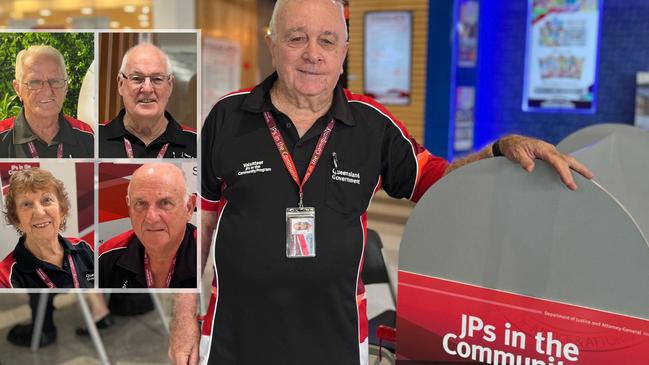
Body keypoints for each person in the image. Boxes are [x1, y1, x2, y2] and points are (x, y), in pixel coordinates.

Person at [169, 0, 593, 364]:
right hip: (234, 335)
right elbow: (196, 224)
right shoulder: (226, 116)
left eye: (328, 40)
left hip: (335, 338)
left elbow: (436, 180)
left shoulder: (372, 124)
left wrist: (499, 150)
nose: (313, 54)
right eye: (296, 38)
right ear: (272, 46)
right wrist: (183, 318)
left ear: (345, 51)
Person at [0, 168, 94, 347]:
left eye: (47, 200)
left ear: (62, 209)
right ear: (16, 219)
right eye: (26, 204)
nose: (40, 212)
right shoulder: (6, 276)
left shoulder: (84, 249)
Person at [98, 162, 197, 288]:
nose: (151, 218)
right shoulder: (106, 257)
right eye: (140, 203)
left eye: (165, 203)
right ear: (129, 206)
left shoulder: (208, 255)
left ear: (189, 208)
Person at [99, 43, 197, 158]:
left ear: (170, 86)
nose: (147, 89)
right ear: (121, 84)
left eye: (157, 79)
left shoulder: (198, 144)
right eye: (137, 78)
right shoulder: (93, 139)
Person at [0, 45, 94, 158]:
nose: (47, 91)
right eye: (34, 82)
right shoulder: (2, 139)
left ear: (66, 86)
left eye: (55, 81)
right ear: (18, 88)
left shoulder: (88, 137)